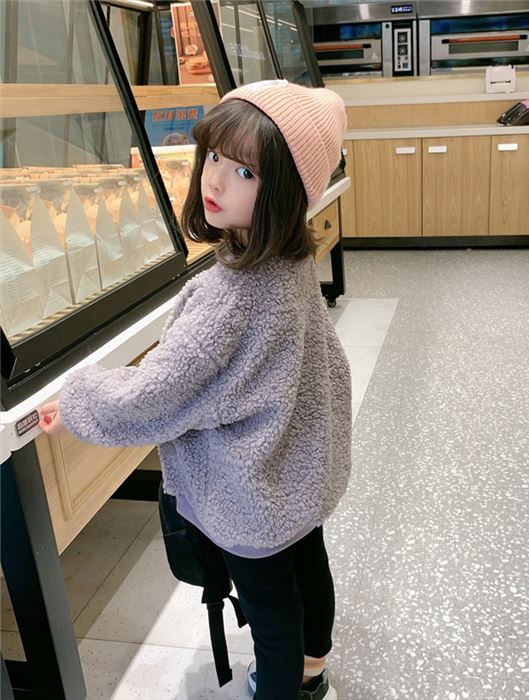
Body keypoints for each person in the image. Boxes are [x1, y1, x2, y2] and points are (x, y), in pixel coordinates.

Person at [39, 79, 351, 700]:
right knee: (307, 568)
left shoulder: (230, 300)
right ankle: (314, 669)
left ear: (287, 192)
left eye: (244, 171)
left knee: (271, 615)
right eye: (213, 157)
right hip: (297, 471)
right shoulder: (288, 262)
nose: (214, 181)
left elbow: (155, 394)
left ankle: (285, 686)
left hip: (253, 490)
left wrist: (76, 401)